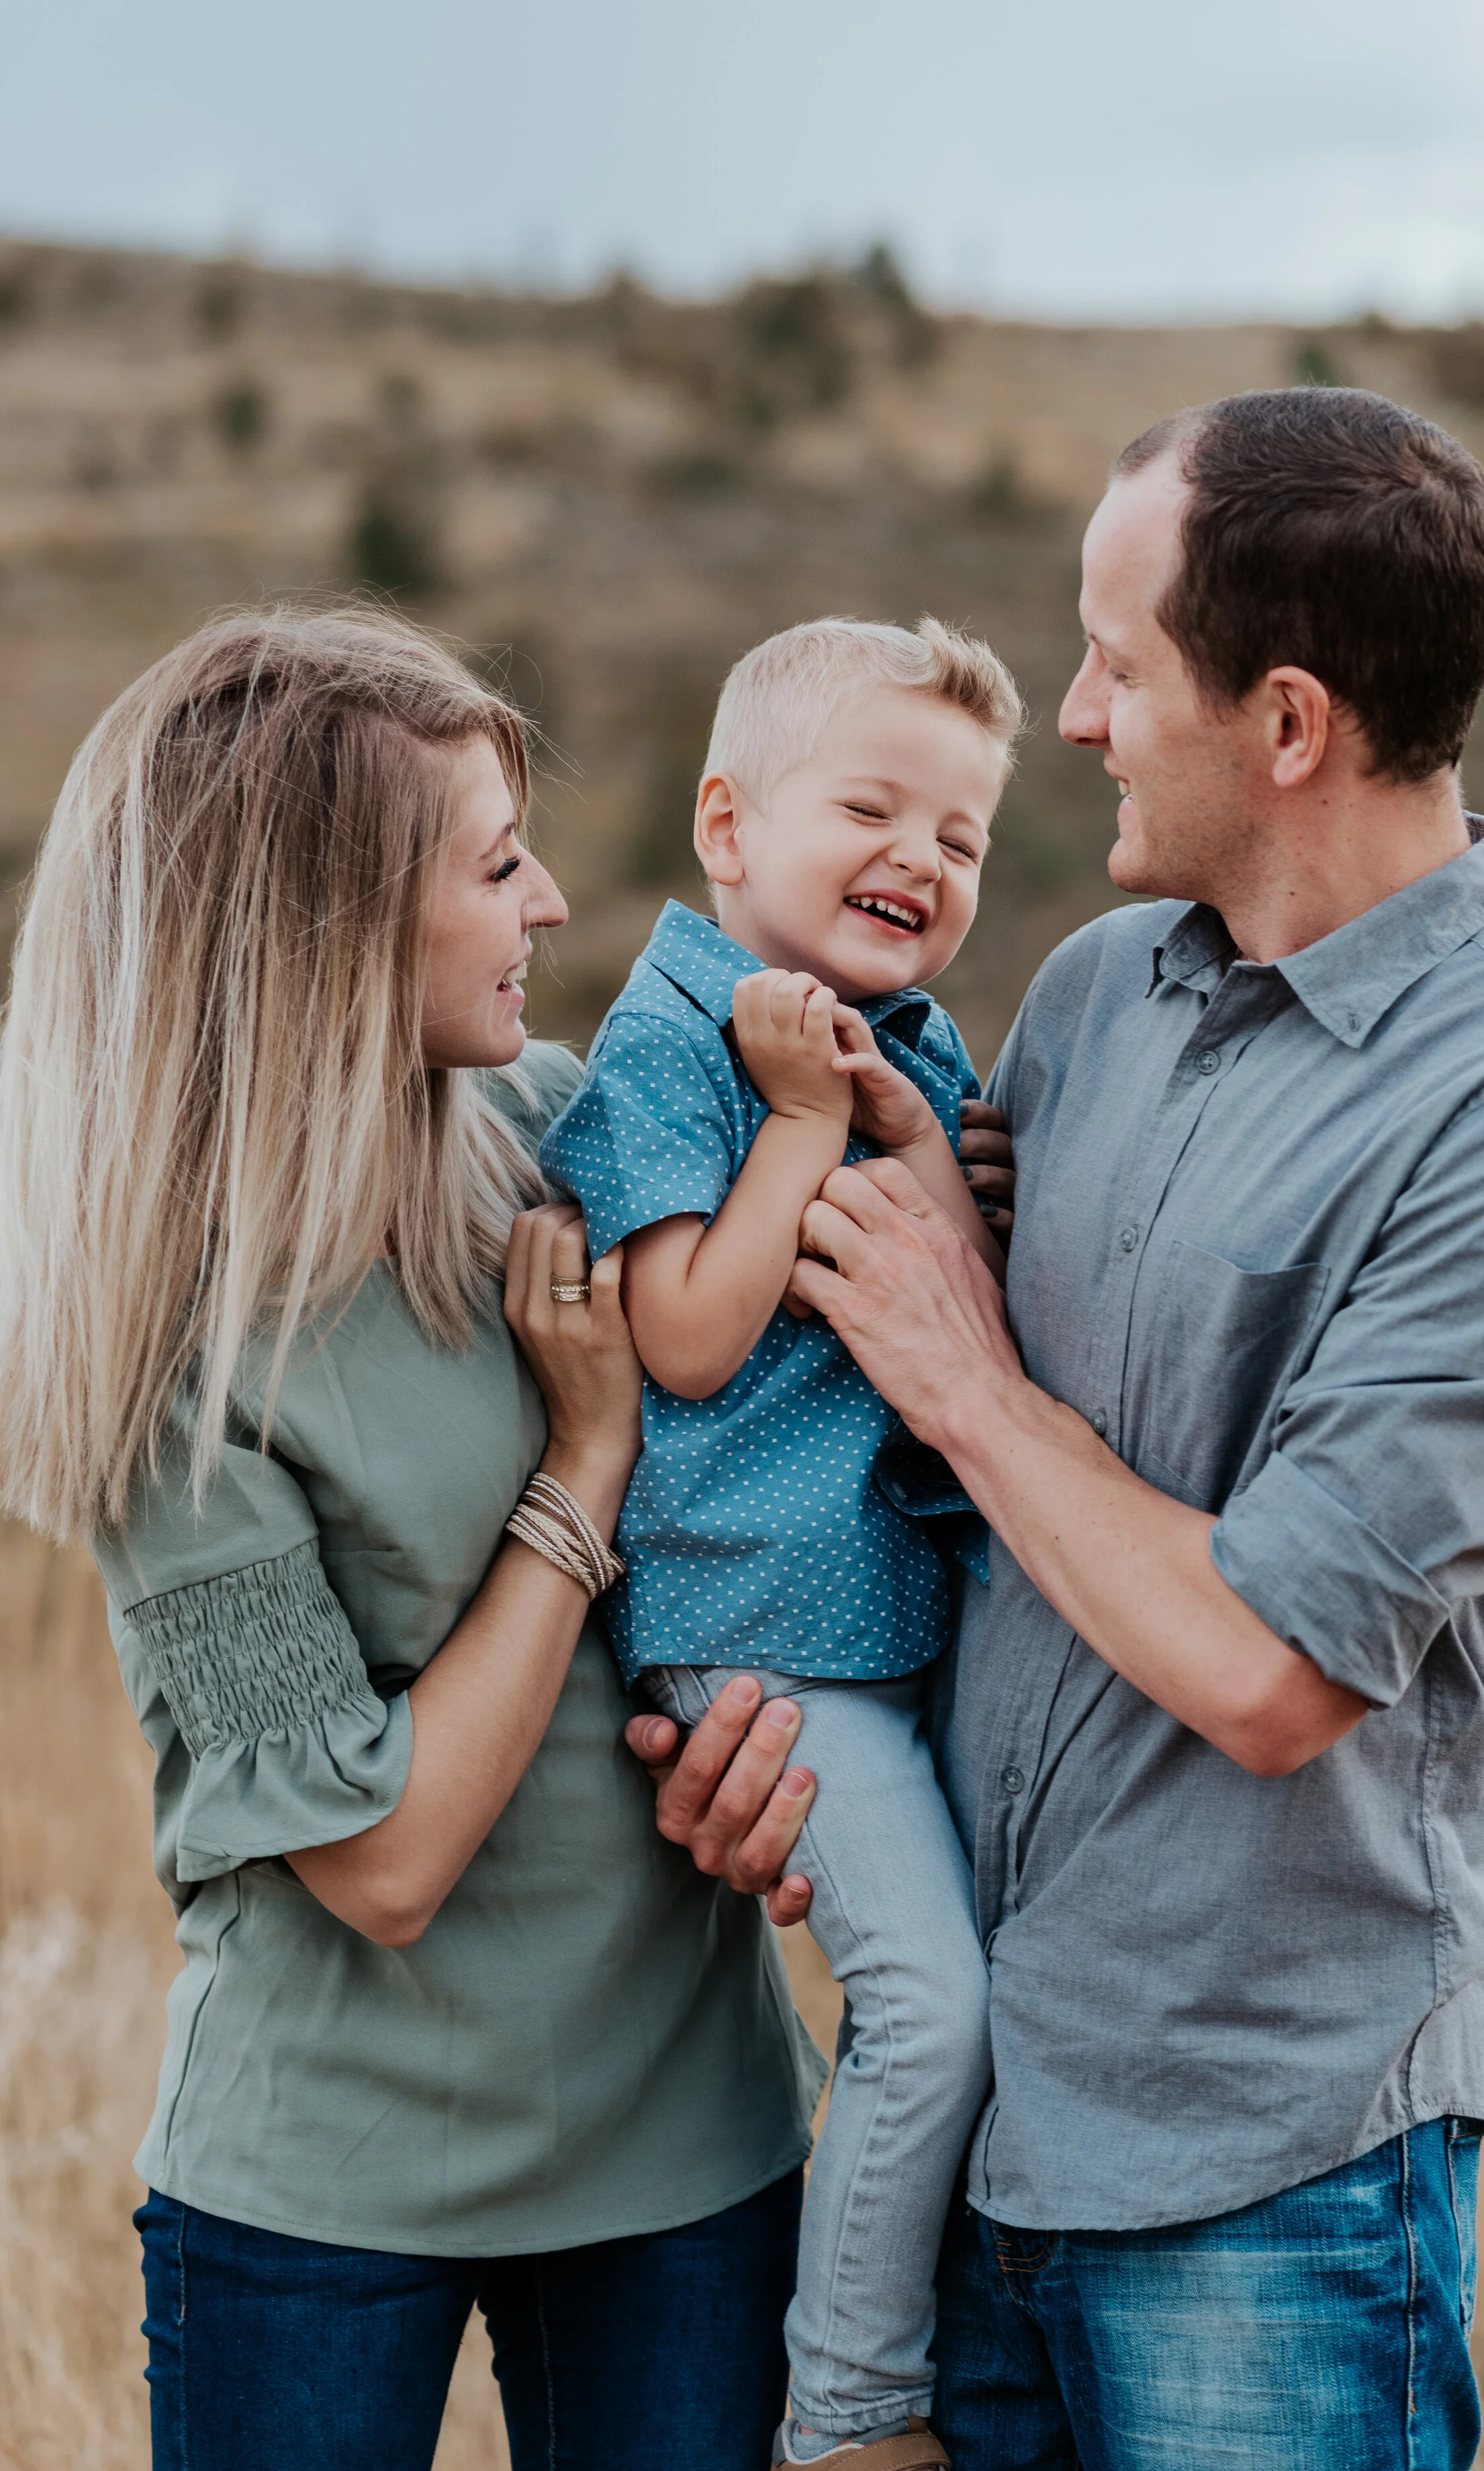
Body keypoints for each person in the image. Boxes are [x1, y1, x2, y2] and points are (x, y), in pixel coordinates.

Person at [629, 389, 1484, 2470]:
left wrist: (964, 1371)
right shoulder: (1100, 994)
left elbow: (1262, 1669)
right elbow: (916, 1499)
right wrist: (778, 1755)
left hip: (1262, 2186)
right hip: (970, 2128)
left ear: (1285, 724)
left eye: (1119, 661)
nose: (1085, 717)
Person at [0, 606, 832, 2471]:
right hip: (316, 2191)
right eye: (494, 861)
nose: (547, 903)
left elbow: (825, 1408)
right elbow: (378, 1859)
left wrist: (797, 1753)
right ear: (325, 923)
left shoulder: (565, 1137)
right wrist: (585, 1459)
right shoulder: (171, 1354)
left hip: (690, 2151)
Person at [543, 618, 1021, 2470]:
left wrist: (935, 1163)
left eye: (966, 835)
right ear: (727, 825)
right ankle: (849, 2408)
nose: (923, 855)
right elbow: (686, 1335)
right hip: (759, 1626)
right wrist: (808, 1126)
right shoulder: (667, 1039)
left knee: (951, 2003)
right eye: (873, 807)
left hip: (887, 1621)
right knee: (930, 2005)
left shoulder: (916, 1038)